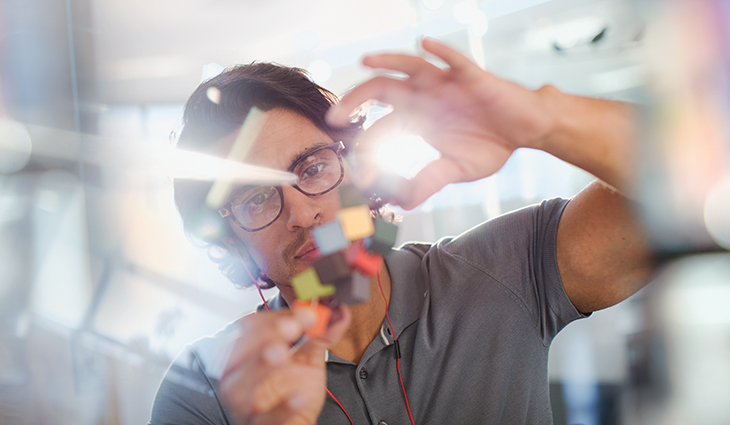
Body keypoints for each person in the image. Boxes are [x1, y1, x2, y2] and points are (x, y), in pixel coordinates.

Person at [149, 38, 654, 425]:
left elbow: (699, 187)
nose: (301, 215)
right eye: (256, 197)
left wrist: (542, 121)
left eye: (312, 169)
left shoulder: (501, 270)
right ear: (232, 238)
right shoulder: (205, 391)